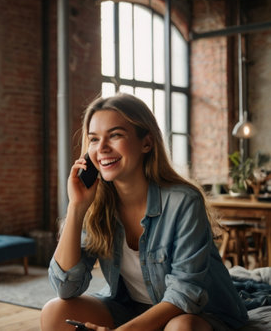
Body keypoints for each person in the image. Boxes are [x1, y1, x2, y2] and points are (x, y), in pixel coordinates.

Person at [40, 93, 248, 331]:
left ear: (146, 143)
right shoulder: (95, 204)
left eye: (115, 135)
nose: (102, 148)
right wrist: (76, 207)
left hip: (197, 313)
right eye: (94, 139)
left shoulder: (183, 201)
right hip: (132, 308)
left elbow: (185, 293)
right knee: (55, 311)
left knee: (181, 328)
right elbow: (65, 287)